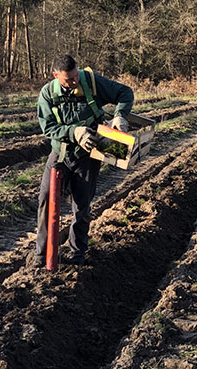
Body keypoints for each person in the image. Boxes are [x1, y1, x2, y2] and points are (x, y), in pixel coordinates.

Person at [29, 54, 134, 268]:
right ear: (56, 76)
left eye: (76, 76)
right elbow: (48, 128)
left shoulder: (90, 81)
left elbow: (125, 92)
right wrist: (74, 132)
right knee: (46, 201)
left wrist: (120, 116)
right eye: (69, 79)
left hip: (87, 156)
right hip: (59, 153)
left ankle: (77, 256)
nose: (75, 82)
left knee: (82, 207)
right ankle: (41, 255)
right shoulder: (48, 94)